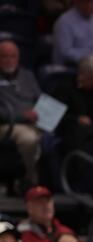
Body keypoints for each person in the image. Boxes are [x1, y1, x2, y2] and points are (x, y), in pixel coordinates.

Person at [18, 186, 91, 242]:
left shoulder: (66, 232)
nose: (46, 206)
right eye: (40, 203)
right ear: (29, 208)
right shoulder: (24, 235)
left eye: (48, 201)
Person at [0, 40, 42, 186]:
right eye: (4, 56)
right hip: (8, 125)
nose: (9, 60)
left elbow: (40, 99)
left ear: (18, 58)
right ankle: (31, 179)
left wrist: (44, 113)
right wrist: (22, 115)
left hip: (35, 122)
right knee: (29, 138)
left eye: (13, 56)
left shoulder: (28, 76)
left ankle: (52, 182)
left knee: (62, 133)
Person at [52, 54, 93, 153]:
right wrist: (77, 119)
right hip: (71, 129)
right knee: (78, 134)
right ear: (81, 74)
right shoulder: (64, 88)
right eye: (92, 78)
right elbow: (54, 116)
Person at [52, 0, 93, 65]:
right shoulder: (64, 22)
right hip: (71, 67)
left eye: (92, 2)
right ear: (76, 2)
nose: (89, 5)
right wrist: (89, 57)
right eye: (85, 2)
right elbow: (65, 52)